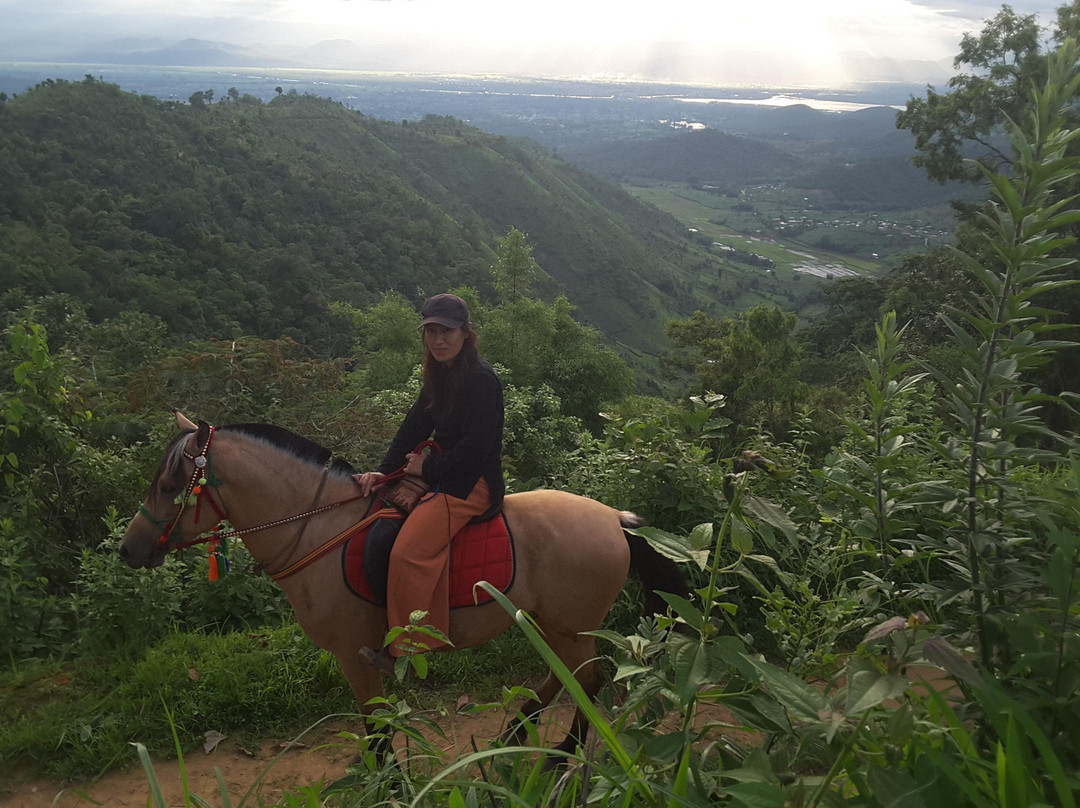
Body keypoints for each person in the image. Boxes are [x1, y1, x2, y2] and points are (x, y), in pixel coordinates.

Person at [354, 293, 505, 672]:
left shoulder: (482, 380)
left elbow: (476, 450)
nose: (438, 340)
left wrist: (426, 471)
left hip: (472, 483)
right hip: (442, 473)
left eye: (446, 332)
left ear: (466, 333)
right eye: (431, 332)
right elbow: (414, 426)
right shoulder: (440, 373)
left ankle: (410, 645)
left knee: (409, 552)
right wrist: (384, 472)